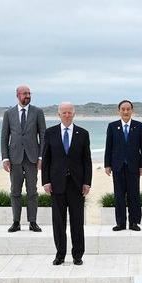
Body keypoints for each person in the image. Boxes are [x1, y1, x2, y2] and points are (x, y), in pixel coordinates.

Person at [42, 102, 92, 266]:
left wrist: (87, 182)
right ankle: (60, 255)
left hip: (77, 184)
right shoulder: (50, 133)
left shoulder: (83, 133)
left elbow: (87, 161)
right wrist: (46, 181)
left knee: (77, 222)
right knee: (58, 222)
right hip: (57, 184)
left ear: (74, 114)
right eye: (64, 112)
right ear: (59, 114)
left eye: (70, 112)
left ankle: (78, 255)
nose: (67, 115)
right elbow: (46, 159)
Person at [0, 85, 46, 233]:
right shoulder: (9, 113)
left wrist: (41, 157)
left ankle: (33, 222)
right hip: (14, 158)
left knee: (32, 191)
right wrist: (5, 158)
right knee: (15, 191)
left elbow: (43, 136)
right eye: (25, 93)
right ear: (18, 95)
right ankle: (16, 222)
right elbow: (4, 137)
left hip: (32, 158)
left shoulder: (38, 112)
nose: (27, 95)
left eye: (29, 93)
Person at [104, 100, 142, 231]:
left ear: (132, 110)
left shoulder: (139, 126)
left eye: (128, 109)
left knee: (134, 195)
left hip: (133, 166)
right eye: (123, 109)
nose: (125, 111)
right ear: (119, 111)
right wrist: (107, 165)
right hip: (117, 166)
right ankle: (120, 223)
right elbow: (108, 147)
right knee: (119, 196)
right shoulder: (112, 126)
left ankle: (134, 222)